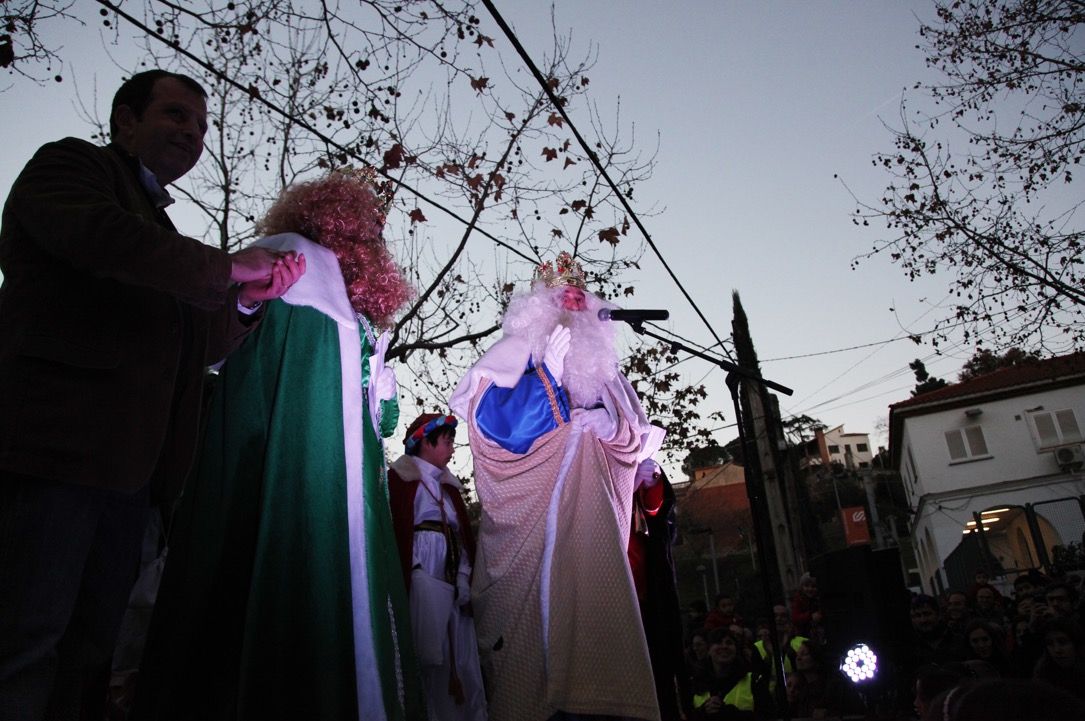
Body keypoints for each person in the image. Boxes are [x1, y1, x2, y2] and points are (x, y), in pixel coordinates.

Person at [0, 69, 303, 721]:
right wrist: (227, 267)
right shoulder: (69, 170)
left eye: (199, 126)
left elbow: (202, 348)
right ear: (124, 122)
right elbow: (101, 241)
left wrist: (246, 302)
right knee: (25, 642)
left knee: (90, 654)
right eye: (174, 115)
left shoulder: (163, 238)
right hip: (55, 455)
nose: (191, 133)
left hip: (132, 482)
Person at [132, 168, 421, 721]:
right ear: (334, 218)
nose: (374, 235)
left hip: (353, 497)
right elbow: (227, 352)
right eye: (367, 224)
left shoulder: (359, 313)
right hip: (293, 476)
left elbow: (379, 424)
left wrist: (381, 388)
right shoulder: (290, 258)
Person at [450, 251, 666, 721]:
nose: (572, 303)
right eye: (560, 296)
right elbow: (496, 432)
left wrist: (612, 429)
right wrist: (544, 374)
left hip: (593, 537)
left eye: (579, 296)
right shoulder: (511, 359)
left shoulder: (608, 376)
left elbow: (634, 441)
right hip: (526, 547)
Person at [387, 412, 487, 721]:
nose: (452, 448)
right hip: (423, 579)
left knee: (460, 653)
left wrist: (464, 577)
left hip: (453, 579)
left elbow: (461, 536)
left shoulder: (449, 489)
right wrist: (416, 574)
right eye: (446, 441)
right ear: (425, 444)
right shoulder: (401, 482)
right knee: (429, 654)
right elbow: (399, 533)